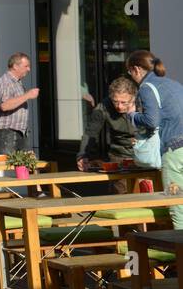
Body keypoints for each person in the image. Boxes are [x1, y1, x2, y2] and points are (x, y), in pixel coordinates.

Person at [126, 50, 183, 226]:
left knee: (177, 204)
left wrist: (133, 115)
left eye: (129, 72)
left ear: (136, 69)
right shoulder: (173, 84)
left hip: (174, 149)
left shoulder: (146, 88)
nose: (130, 76)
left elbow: (152, 120)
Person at [77, 77, 139, 191]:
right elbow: (91, 132)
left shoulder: (145, 103)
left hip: (146, 154)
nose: (119, 106)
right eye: (115, 101)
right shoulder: (103, 107)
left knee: (147, 190)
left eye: (124, 102)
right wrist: (83, 155)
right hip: (119, 155)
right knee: (120, 192)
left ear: (133, 98)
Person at [0, 52, 39, 165]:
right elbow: (4, 105)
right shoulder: (5, 82)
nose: (29, 69)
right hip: (4, 131)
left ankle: (37, 183)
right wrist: (28, 95)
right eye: (26, 66)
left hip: (20, 130)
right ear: (15, 66)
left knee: (30, 162)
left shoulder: (17, 83)